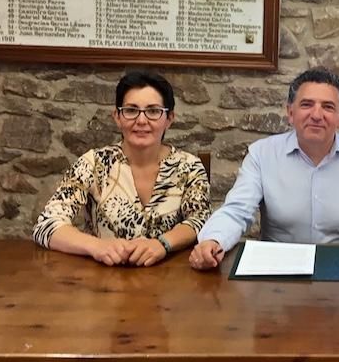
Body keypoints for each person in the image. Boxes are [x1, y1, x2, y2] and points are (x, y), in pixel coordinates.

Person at [189, 68, 339, 270]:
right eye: (307, 104)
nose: (316, 115)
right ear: (290, 113)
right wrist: (214, 240)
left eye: (328, 107)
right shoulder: (262, 155)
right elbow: (236, 211)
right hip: (278, 273)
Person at [33, 71, 211, 267]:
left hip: (169, 277)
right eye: (131, 110)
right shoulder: (94, 163)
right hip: (103, 276)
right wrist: (97, 246)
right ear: (117, 117)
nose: (141, 120)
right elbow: (47, 224)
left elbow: (200, 220)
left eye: (153, 111)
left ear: (169, 118)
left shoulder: (189, 166)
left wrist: (163, 244)